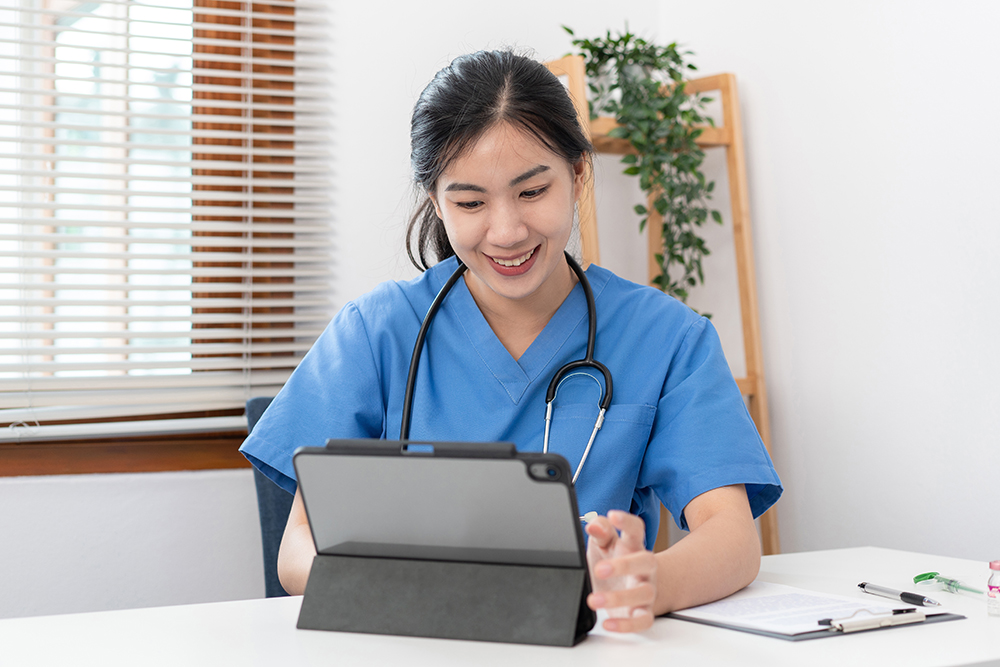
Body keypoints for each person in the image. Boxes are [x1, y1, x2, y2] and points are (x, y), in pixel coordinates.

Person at [240, 49, 781, 634]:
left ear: (577, 174)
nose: (506, 231)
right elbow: (296, 549)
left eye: (531, 192)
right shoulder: (375, 333)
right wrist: (419, 590)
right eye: (470, 202)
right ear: (436, 201)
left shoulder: (666, 337)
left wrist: (649, 581)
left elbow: (731, 538)